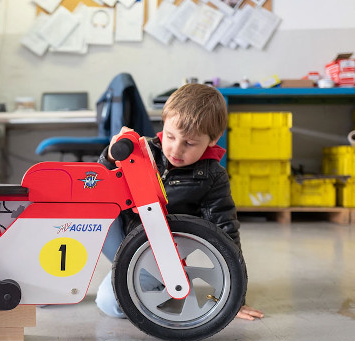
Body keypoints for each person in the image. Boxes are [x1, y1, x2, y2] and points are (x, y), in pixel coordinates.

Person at [95, 83, 263, 321]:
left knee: (110, 305)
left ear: (212, 139)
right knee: (90, 206)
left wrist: (236, 299)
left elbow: (227, 233)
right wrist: (111, 156)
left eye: (190, 143)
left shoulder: (212, 177)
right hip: (126, 238)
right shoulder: (145, 152)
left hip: (160, 253)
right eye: (171, 136)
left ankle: (154, 283)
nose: (175, 148)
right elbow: (98, 183)